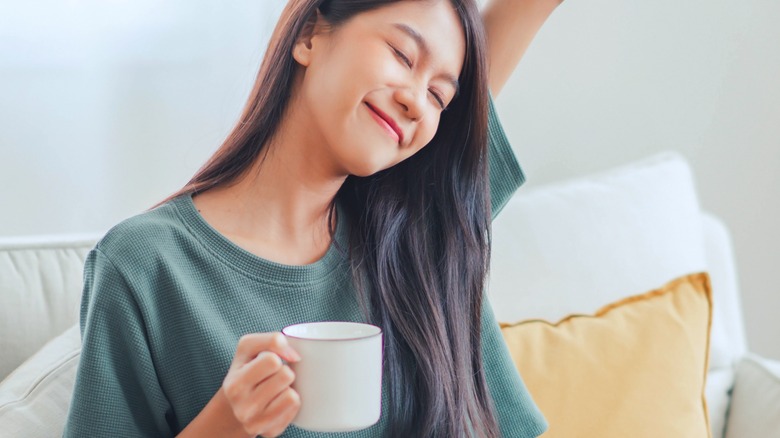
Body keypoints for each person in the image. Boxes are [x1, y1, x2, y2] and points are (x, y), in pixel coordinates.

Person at [63, 0, 564, 436]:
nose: (415, 100)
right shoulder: (146, 266)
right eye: (401, 55)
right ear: (309, 35)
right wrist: (229, 422)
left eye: (438, 97)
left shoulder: (419, 246)